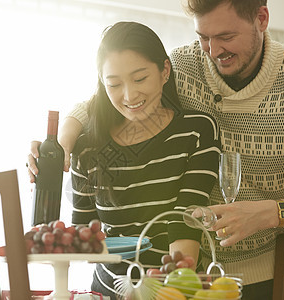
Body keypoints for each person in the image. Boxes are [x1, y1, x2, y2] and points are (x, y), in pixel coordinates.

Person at [29, 1, 284, 299]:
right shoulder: (183, 65)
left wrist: (270, 213)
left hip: (273, 271)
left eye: (226, 36)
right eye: (204, 37)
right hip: (188, 277)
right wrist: (62, 141)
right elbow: (108, 97)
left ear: (261, 19)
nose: (213, 51)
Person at [28, 21, 221, 299]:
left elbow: (185, 220)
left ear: (165, 71)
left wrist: (175, 285)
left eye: (140, 79)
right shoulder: (87, 149)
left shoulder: (197, 130)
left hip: (173, 288)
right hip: (108, 292)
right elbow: (85, 231)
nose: (129, 96)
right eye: (115, 84)